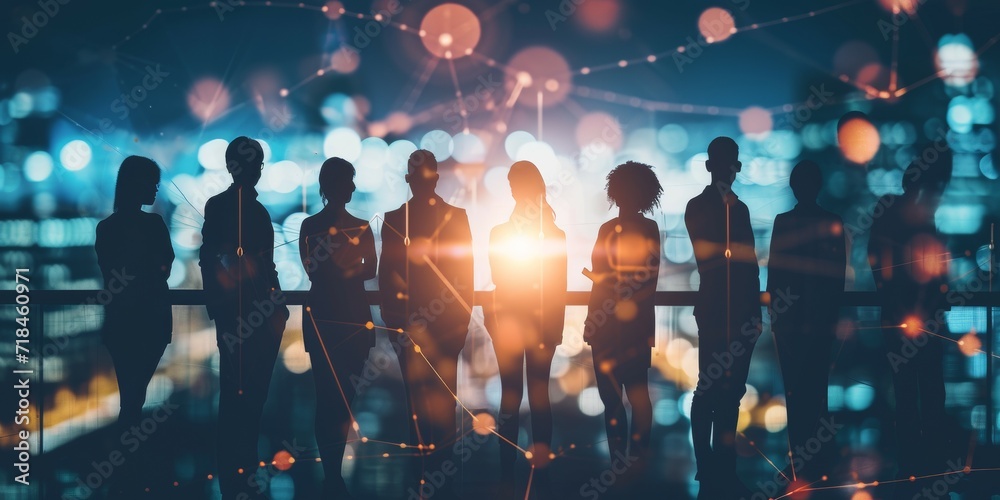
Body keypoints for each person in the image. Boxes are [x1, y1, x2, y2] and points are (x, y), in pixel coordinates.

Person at [378, 149, 474, 498]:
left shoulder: (393, 219)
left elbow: (386, 278)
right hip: (446, 325)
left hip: (409, 326)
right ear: (435, 178)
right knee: (444, 402)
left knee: (414, 403)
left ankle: (421, 476)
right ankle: (442, 477)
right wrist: (461, 323)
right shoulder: (457, 217)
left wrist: (393, 322)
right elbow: (466, 276)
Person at [199, 136, 289, 499]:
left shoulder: (219, 207)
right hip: (258, 318)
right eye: (257, 165)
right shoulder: (256, 212)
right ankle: (243, 477)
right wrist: (277, 308)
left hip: (237, 317)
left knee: (235, 399)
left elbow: (209, 258)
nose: (258, 171)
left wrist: (218, 307)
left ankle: (234, 479)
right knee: (250, 400)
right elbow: (266, 266)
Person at [868, 153, 952, 481]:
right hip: (920, 318)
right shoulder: (921, 217)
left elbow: (878, 260)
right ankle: (929, 462)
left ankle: (910, 463)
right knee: (929, 389)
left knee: (906, 392)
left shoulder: (892, 211)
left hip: (899, 318)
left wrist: (891, 300)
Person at [485, 161, 567, 493]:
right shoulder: (554, 236)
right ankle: (541, 472)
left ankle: (507, 471)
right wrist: (556, 328)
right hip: (542, 324)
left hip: (508, 323)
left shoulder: (500, 234)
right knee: (539, 397)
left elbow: (496, 279)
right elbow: (558, 287)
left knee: (510, 396)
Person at [685, 137, 760, 498]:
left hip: (717, 308)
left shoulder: (700, 207)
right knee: (725, 392)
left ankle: (712, 469)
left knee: (714, 390)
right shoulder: (736, 210)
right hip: (732, 310)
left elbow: (717, 262)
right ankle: (719, 469)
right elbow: (746, 264)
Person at [95, 155, 173, 497]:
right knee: (134, 399)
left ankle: (123, 469)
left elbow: (113, 272)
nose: (156, 188)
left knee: (131, 397)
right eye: (151, 181)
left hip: (122, 322)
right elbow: (164, 267)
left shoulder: (107, 228)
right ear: (136, 183)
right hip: (151, 320)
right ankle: (129, 468)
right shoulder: (154, 225)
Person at [299, 157, 376, 499]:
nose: (354, 188)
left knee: (326, 397)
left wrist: (336, 273)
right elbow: (370, 269)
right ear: (339, 185)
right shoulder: (360, 226)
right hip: (354, 317)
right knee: (345, 399)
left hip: (322, 317)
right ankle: (334, 473)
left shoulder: (309, 225)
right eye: (350, 181)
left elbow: (313, 271)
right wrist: (349, 274)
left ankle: (331, 472)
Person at [767, 160, 846, 483]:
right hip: (820, 321)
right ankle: (817, 463)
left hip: (790, 323)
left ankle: (799, 463)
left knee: (795, 394)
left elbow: (775, 274)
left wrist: (777, 315)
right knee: (818, 393)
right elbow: (836, 277)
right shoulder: (832, 222)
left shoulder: (783, 222)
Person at [583, 161, 660, 487]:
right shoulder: (650, 229)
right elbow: (650, 280)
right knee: (638, 394)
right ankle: (637, 463)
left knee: (611, 400)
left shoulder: (606, 230)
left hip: (605, 326)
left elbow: (598, 279)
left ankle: (618, 465)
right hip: (637, 326)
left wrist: (593, 316)